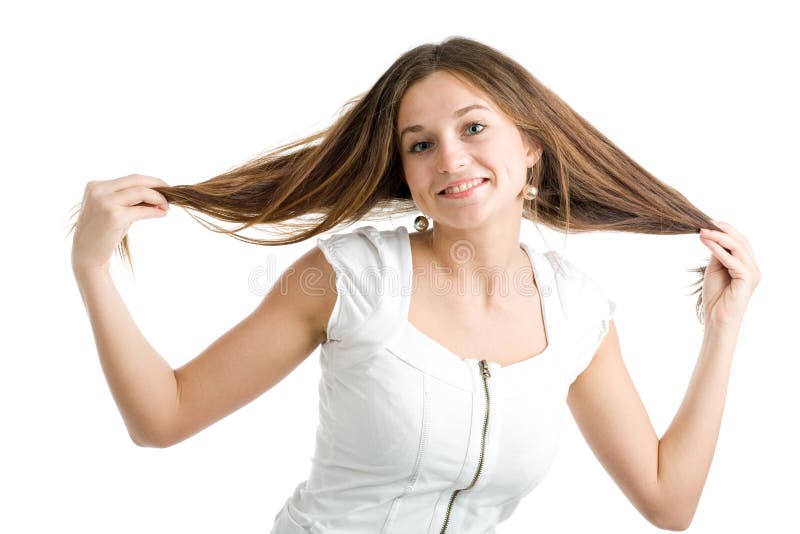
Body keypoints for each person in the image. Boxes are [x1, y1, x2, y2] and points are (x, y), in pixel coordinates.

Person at [68, 37, 761, 533]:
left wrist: (721, 333)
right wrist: (93, 269)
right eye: (420, 143)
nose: (451, 157)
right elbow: (162, 418)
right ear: (406, 173)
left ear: (530, 149)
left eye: (475, 127)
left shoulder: (576, 312)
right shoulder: (352, 279)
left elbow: (670, 502)